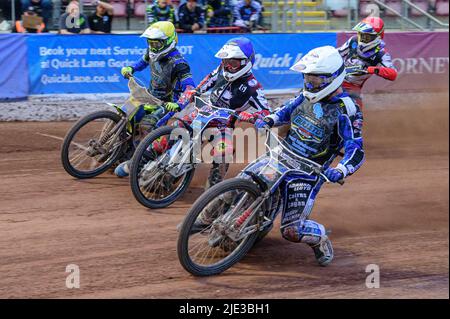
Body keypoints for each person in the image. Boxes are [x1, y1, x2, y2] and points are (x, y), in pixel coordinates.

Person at [252, 46, 365, 266]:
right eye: (308, 77)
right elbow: (285, 110)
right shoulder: (305, 95)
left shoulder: (347, 109)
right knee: (246, 181)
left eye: (316, 78)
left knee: (291, 231)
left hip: (307, 173)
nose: (310, 82)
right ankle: (207, 218)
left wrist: (341, 170)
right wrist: (269, 120)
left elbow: (356, 148)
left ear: (332, 78)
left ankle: (320, 237)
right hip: (281, 156)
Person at [170, 37, 271, 188]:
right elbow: (209, 79)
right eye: (225, 61)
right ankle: (144, 158)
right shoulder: (221, 69)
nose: (228, 66)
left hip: (222, 126)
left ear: (245, 62)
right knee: (175, 128)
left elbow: (266, 113)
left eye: (233, 62)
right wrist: (196, 91)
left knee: (224, 153)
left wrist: (252, 116)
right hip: (203, 112)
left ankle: (212, 194)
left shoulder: (254, 87)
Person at [115, 21, 195, 177]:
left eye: (157, 43)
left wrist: (178, 104)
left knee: (147, 125)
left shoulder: (180, 63)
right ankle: (123, 152)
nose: (153, 46)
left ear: (169, 41)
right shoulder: (151, 52)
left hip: (167, 102)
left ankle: (141, 162)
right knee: (125, 115)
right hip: (149, 95)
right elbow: (142, 62)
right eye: (150, 42)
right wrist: (131, 68)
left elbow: (190, 87)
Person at [338, 17, 397, 108]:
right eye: (361, 35)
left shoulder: (381, 54)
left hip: (352, 86)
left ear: (377, 37)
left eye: (366, 36)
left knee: (356, 110)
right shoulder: (353, 41)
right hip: (336, 78)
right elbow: (338, 53)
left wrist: (373, 69)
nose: (362, 39)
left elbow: (393, 74)